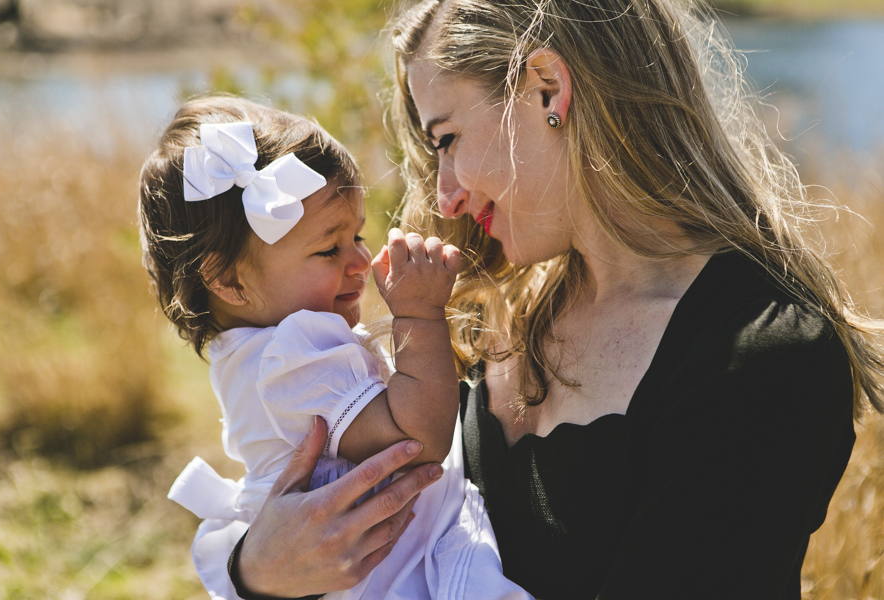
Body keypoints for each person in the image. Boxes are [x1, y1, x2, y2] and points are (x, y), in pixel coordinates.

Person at [226, 1, 884, 599]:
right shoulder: (489, 314)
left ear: (548, 87)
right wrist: (257, 569)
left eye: (447, 138)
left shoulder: (759, 355)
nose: (446, 194)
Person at [138, 96, 532, 600]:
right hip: (393, 576)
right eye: (329, 248)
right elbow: (416, 439)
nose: (361, 261)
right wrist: (421, 314)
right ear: (228, 281)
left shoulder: (251, 352)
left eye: (358, 236)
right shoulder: (291, 351)